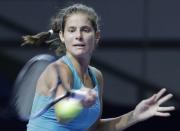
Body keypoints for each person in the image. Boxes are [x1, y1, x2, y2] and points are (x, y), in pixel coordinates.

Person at [20, 3, 175, 131]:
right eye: (71, 30)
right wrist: (78, 101)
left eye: (85, 30)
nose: (78, 36)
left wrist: (135, 115)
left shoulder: (96, 76)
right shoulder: (58, 70)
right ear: (62, 36)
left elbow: (95, 129)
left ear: (97, 36)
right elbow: (62, 114)